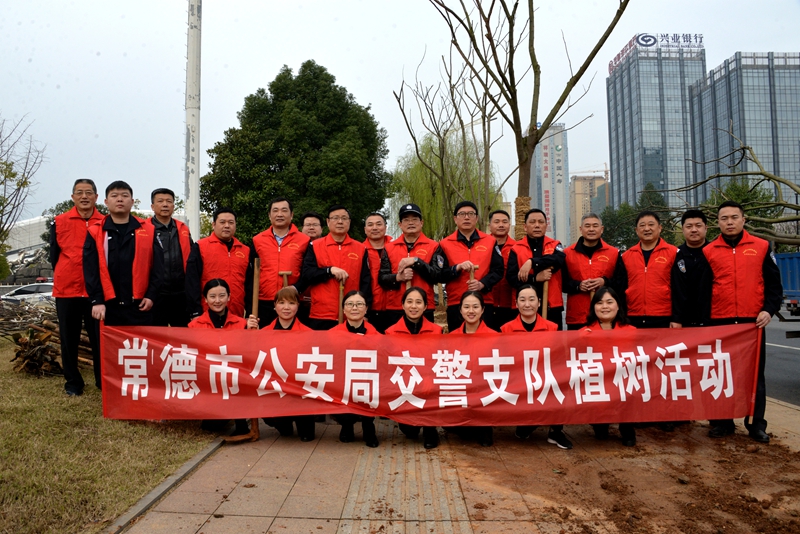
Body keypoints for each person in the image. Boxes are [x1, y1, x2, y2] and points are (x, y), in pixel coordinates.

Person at [701, 201, 782, 443]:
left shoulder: (761, 246)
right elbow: (703, 290)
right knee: (722, 374)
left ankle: (756, 424)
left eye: (734, 217)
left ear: (743, 220)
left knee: (754, 376)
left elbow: (774, 285)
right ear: (718, 222)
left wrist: (769, 310)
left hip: (752, 323)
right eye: (724, 218)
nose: (729, 222)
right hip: (721, 322)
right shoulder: (709, 250)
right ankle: (723, 422)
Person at [84, 180, 164, 329]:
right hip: (107, 307)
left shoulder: (148, 230)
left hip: (140, 306)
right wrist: (97, 300)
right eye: (114, 196)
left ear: (132, 201)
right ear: (106, 202)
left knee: (140, 344)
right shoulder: (96, 232)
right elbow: (90, 270)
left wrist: (151, 296)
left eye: (125, 196)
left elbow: (158, 268)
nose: (120, 199)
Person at [500, 285, 572, 450]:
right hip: (518, 380)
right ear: (516, 304)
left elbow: (558, 358)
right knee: (523, 431)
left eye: (532, 299)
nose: (527, 304)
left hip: (544, 379)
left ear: (539, 303)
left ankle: (555, 431)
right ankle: (528, 424)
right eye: (522, 300)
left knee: (561, 382)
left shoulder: (552, 328)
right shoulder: (506, 329)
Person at [50, 178, 104, 395]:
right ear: (72, 197)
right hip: (67, 290)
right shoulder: (60, 221)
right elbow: (54, 256)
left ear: (96, 197)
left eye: (89, 192)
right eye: (79, 192)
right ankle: (73, 382)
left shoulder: (105, 222)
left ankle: (102, 380)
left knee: (100, 338)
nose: (84, 196)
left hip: (96, 291)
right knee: (68, 338)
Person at [188, 278, 259, 437]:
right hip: (209, 381)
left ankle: (241, 422)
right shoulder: (194, 326)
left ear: (229, 297)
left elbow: (251, 353)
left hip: (235, 381)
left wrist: (253, 332)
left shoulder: (242, 324)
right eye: (212, 296)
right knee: (210, 426)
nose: (217, 300)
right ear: (205, 299)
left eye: (222, 296)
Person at [431, 201, 504, 332]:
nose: (466, 217)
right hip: (456, 303)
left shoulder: (490, 241)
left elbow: (498, 271)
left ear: (476, 218)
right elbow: (439, 274)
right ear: (455, 219)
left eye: (471, 214)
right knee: (458, 341)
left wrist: (482, 284)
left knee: (486, 341)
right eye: (462, 214)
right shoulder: (445, 244)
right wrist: (456, 268)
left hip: (483, 303)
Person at [385, 286, 442, 449]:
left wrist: (430, 379)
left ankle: (430, 429)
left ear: (425, 306)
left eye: (418, 302)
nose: (414, 306)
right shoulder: (390, 333)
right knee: (409, 431)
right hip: (404, 385)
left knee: (432, 389)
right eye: (409, 302)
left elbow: (438, 361)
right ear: (402, 305)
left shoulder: (437, 331)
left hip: (428, 384)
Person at [582, 286, 637, 447]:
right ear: (593, 307)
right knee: (600, 434)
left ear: (618, 306)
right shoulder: (583, 333)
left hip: (623, 381)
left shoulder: (632, 332)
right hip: (597, 382)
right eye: (599, 303)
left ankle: (626, 427)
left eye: (609, 302)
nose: (604, 307)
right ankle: (600, 423)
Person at [300, 205, 372, 330]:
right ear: (328, 222)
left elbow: (365, 282)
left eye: (344, 218)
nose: (340, 221)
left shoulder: (360, 248)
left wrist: (365, 313)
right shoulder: (315, 246)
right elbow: (307, 274)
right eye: (335, 218)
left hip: (352, 315)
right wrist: (329, 270)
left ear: (349, 222)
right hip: (322, 314)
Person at [260, 286, 317, 442]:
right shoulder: (263, 333)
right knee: (282, 429)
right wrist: (251, 334)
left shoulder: (309, 334)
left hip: (301, 391)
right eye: (281, 302)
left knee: (307, 436)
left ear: (298, 306)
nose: (286, 307)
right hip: (276, 389)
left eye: (291, 303)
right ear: (274, 305)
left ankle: (301, 420)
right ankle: (283, 422)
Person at [247, 197, 310, 328]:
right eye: (275, 210)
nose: (279, 214)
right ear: (269, 216)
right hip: (264, 302)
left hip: (292, 302)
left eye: (284, 210)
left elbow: (307, 272)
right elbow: (250, 274)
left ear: (291, 215)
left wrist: (296, 288)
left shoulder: (304, 240)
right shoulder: (257, 240)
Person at [329, 290, 380, 447]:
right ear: (343, 309)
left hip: (367, 384)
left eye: (359, 304)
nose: (354, 308)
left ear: (366, 309)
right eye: (350, 304)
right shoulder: (332, 334)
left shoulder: (376, 335)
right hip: (342, 384)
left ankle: (368, 425)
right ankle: (346, 425)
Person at [378, 203, 440, 327]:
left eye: (414, 219)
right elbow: (382, 279)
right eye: (406, 220)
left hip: (424, 306)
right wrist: (398, 277)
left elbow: (437, 276)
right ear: (400, 224)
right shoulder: (389, 248)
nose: (410, 223)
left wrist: (417, 262)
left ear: (421, 223)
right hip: (396, 307)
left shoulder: (434, 246)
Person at [561, 213, 624, 330]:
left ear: (602, 229)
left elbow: (621, 283)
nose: (591, 229)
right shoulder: (567, 253)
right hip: (577, 316)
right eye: (587, 226)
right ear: (581, 229)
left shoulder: (614, 253)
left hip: (606, 316)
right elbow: (562, 283)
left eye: (595, 226)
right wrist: (578, 286)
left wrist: (604, 282)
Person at [506, 209, 565, 330]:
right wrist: (535, 279)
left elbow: (558, 260)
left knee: (553, 340)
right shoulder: (516, 249)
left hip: (551, 306)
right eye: (532, 222)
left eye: (541, 222)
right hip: (524, 308)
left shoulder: (555, 245)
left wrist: (532, 262)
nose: (537, 225)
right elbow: (512, 278)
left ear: (546, 226)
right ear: (525, 227)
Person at [185, 207, 249, 319]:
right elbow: (192, 281)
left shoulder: (245, 250)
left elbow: (249, 285)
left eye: (231, 222)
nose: (227, 226)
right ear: (213, 225)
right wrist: (195, 312)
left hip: (236, 314)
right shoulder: (200, 247)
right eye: (222, 222)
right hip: (206, 314)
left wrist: (249, 313)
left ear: (235, 225)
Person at [619, 211, 677, 329]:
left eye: (651, 224)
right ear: (636, 230)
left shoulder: (674, 253)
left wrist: (677, 318)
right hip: (633, 317)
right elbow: (620, 288)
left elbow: (679, 289)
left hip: (663, 316)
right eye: (642, 225)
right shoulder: (626, 256)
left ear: (659, 228)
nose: (647, 229)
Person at [453, 290, 495, 446]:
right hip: (462, 389)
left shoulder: (495, 337)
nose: (471, 311)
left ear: (483, 310)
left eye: (475, 307)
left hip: (485, 391)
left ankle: (484, 426)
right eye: (466, 307)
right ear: (460, 310)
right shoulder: (452, 338)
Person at [150, 188, 193, 327]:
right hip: (155, 294)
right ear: (152, 206)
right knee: (156, 335)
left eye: (169, 201)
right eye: (160, 201)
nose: (165, 204)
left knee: (183, 335)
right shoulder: (144, 229)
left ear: (173, 206)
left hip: (181, 294)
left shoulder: (182, 228)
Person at [671, 209, 709, 328]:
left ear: (706, 228)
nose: (694, 230)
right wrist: (676, 318)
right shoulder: (675, 255)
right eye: (689, 226)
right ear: (682, 229)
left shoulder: (716, 253)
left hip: (712, 319)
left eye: (698, 225)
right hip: (682, 321)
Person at [486, 210, 517, 330]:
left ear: (509, 225)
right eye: (497, 222)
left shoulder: (517, 247)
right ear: (489, 225)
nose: (501, 225)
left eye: (504, 222)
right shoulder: (482, 246)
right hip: (486, 303)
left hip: (510, 304)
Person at [363, 212, 393, 333]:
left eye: (379, 224)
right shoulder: (359, 250)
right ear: (365, 229)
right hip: (370, 309)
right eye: (370, 225)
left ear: (385, 227)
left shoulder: (396, 248)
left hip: (395, 308)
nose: (374, 228)